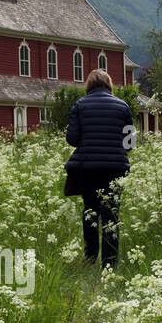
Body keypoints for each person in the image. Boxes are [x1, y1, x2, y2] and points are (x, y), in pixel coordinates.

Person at [65, 68, 134, 269]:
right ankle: (109, 264)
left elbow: (72, 139)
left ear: (89, 84)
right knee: (111, 215)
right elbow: (130, 142)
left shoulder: (80, 105)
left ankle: (90, 257)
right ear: (109, 84)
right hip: (115, 168)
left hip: (87, 169)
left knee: (91, 212)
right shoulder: (123, 107)